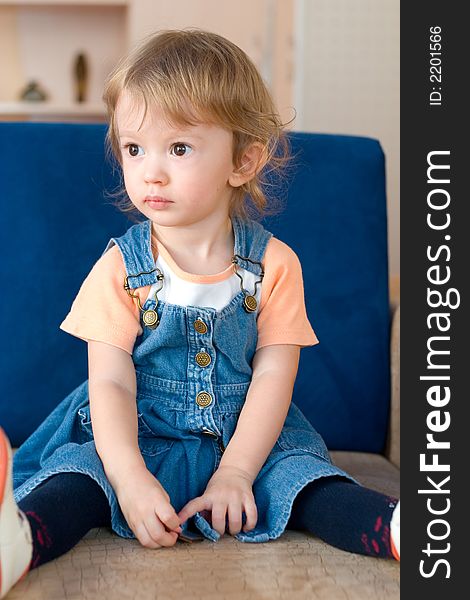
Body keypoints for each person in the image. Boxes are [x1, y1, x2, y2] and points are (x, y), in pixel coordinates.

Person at [0, 29, 400, 598]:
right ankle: (22, 541)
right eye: (135, 149)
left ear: (243, 160)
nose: (150, 172)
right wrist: (132, 478)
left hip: (249, 444)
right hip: (136, 437)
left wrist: (237, 473)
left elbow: (272, 378)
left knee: (307, 482)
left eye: (179, 148)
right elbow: (110, 383)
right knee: (77, 477)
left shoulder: (274, 266)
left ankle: (399, 529)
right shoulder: (119, 267)